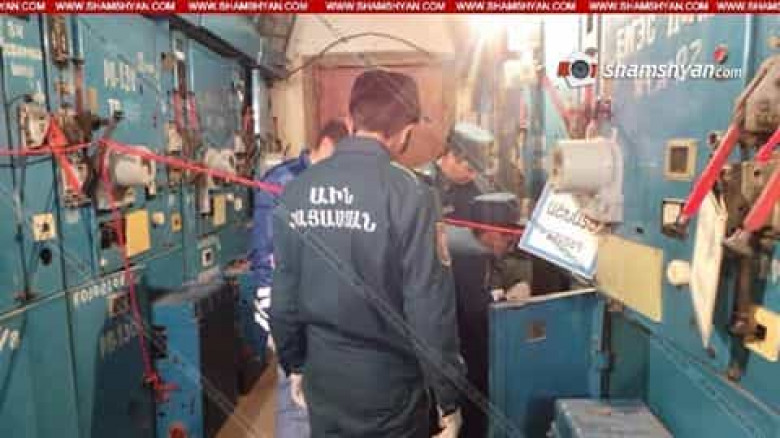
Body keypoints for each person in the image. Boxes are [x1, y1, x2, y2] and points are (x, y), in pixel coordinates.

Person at [269, 69, 466, 437]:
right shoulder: (412, 196)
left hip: (324, 381)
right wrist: (448, 398)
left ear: (351, 120)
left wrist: (293, 364)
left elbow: (283, 300)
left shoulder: (298, 190)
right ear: (406, 131)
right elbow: (429, 310)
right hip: (388, 391)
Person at [251, 119, 349, 438]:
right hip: (293, 316)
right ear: (325, 145)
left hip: (330, 317)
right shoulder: (282, 181)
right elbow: (266, 257)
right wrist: (271, 321)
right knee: (296, 407)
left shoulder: (333, 183)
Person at [446, 192, 528, 438]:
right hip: (465, 360)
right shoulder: (473, 256)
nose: (510, 245)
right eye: (507, 238)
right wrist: (507, 298)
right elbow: (475, 312)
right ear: (491, 233)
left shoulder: (461, 242)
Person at [420, 122, 494, 220]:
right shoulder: (422, 183)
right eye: (470, 170)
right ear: (452, 156)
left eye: (478, 171)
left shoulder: (482, 189)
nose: (473, 177)